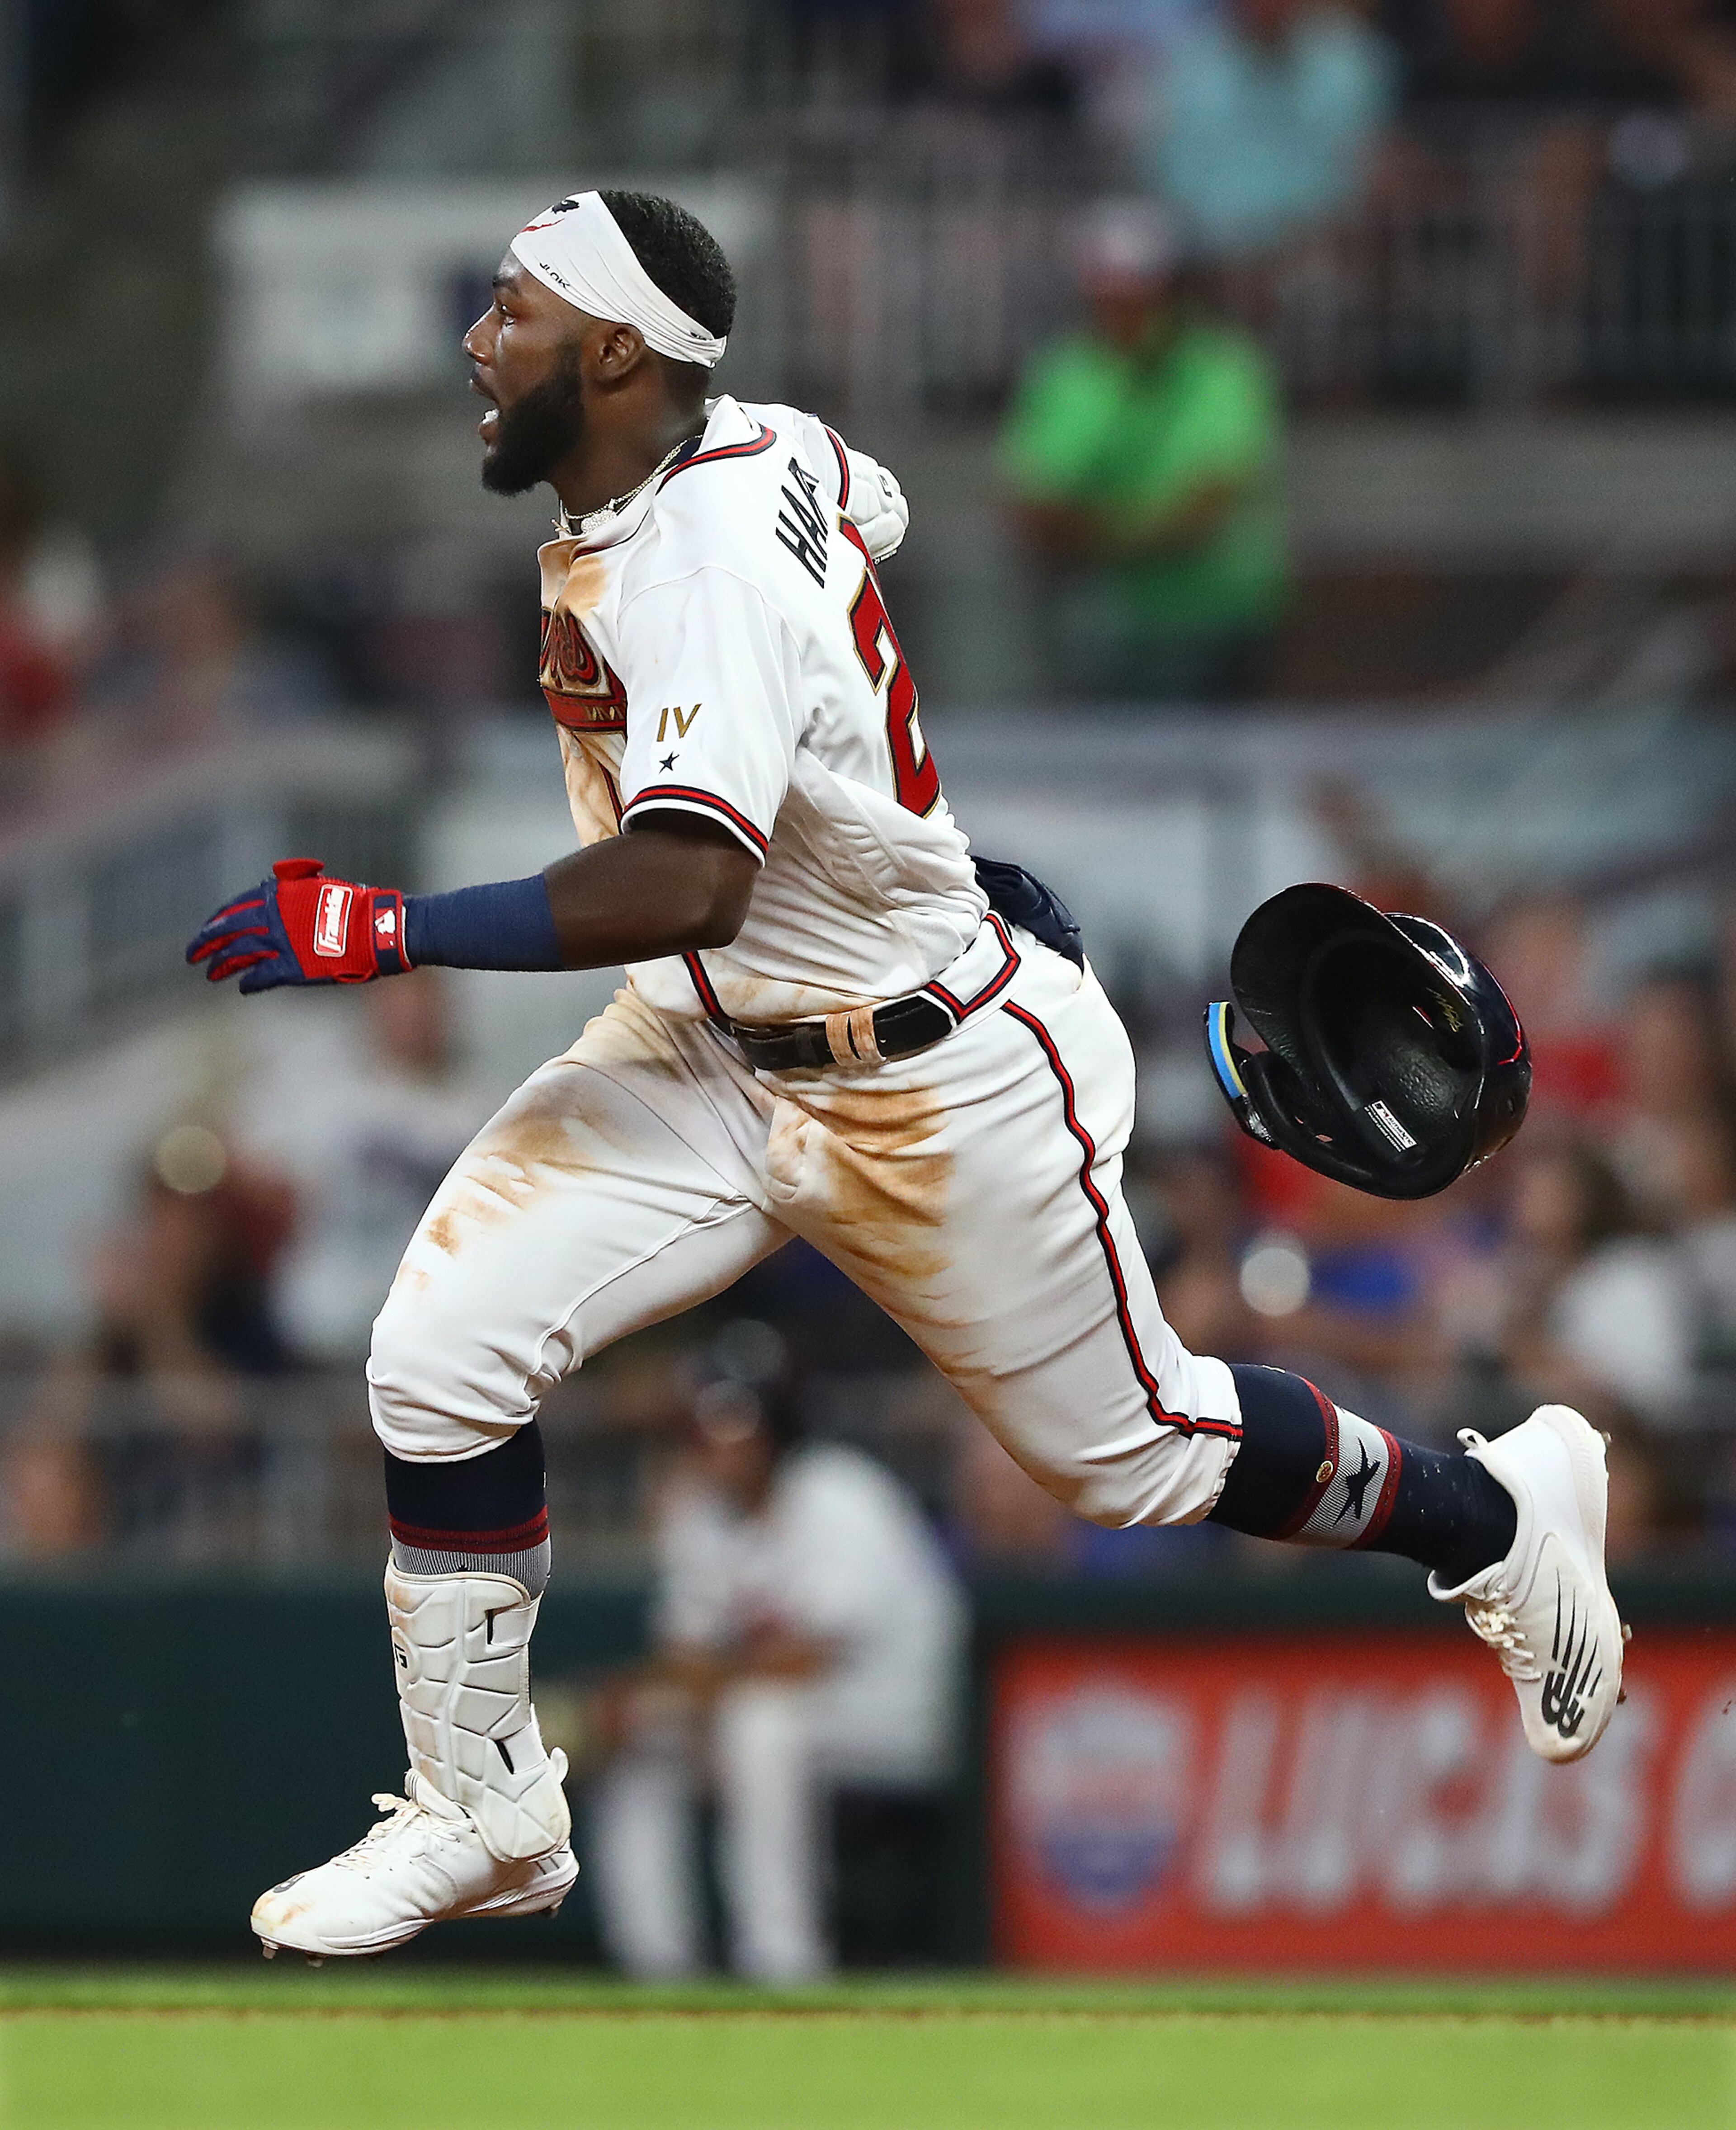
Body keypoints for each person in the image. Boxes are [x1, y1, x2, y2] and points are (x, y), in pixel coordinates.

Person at [187, 188, 1624, 1964]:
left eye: (514, 312)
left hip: (928, 1080)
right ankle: (485, 1806)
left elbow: (687, 871)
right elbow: (871, 498)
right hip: (710, 1045)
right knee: (437, 1354)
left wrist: (389, 922)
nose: (478, 342)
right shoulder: (740, 445)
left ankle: (1496, 1511)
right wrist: (889, 812)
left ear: (620, 354)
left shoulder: (699, 558)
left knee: (1140, 1456)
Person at [590, 1338, 963, 1980]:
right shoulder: (699, 1513)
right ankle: (656, 1973)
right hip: (766, 1702)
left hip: (884, 1711)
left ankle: (782, 1963)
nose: (713, 1444)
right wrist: (655, 1700)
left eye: (731, 1426)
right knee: (641, 1741)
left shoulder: (842, 1495)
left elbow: (810, 1657)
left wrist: (695, 1693)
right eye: (703, 1427)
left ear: (777, 1428)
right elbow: (688, 1651)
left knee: (762, 1730)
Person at [1000, 200, 1288, 701]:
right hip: (1101, 623)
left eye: (1138, 293)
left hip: (1218, 619)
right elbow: (1033, 506)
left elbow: (1210, 506)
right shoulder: (1065, 373)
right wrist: (1142, 533)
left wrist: (1096, 536)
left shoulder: (1223, 368)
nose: (1124, 311)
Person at [1140, 0, 1395, 261]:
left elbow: (1364, 168)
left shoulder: (1353, 65)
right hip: (1212, 255)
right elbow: (1173, 183)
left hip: (1326, 249)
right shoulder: (1185, 70)